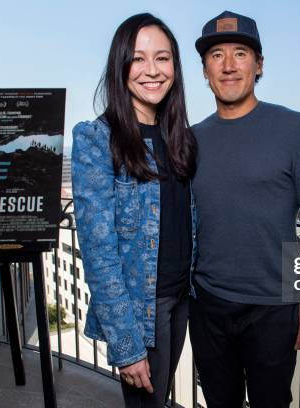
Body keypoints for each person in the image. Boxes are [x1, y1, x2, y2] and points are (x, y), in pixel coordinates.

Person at [189, 10, 300, 408]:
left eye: (240, 53)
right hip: (207, 304)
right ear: (205, 70)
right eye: (217, 56)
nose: (229, 65)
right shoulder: (191, 140)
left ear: (259, 65)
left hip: (275, 308)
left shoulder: (296, 129)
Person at [71, 13, 197, 408]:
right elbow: (99, 253)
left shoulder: (180, 138)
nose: (152, 71)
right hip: (143, 308)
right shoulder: (98, 139)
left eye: (162, 58)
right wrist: (127, 345)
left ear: (175, 67)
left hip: (182, 296)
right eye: (138, 59)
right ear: (120, 65)